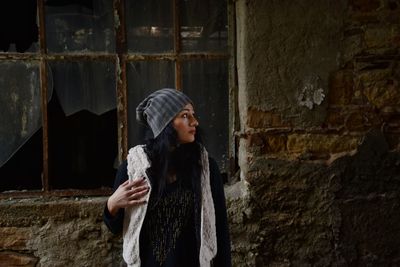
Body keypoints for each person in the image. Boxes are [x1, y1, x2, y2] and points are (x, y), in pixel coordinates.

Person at [103, 88, 231, 267]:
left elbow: (221, 232)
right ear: (165, 123)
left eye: (193, 115)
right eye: (185, 116)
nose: (195, 122)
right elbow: (115, 228)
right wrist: (112, 204)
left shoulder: (206, 168)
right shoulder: (133, 168)